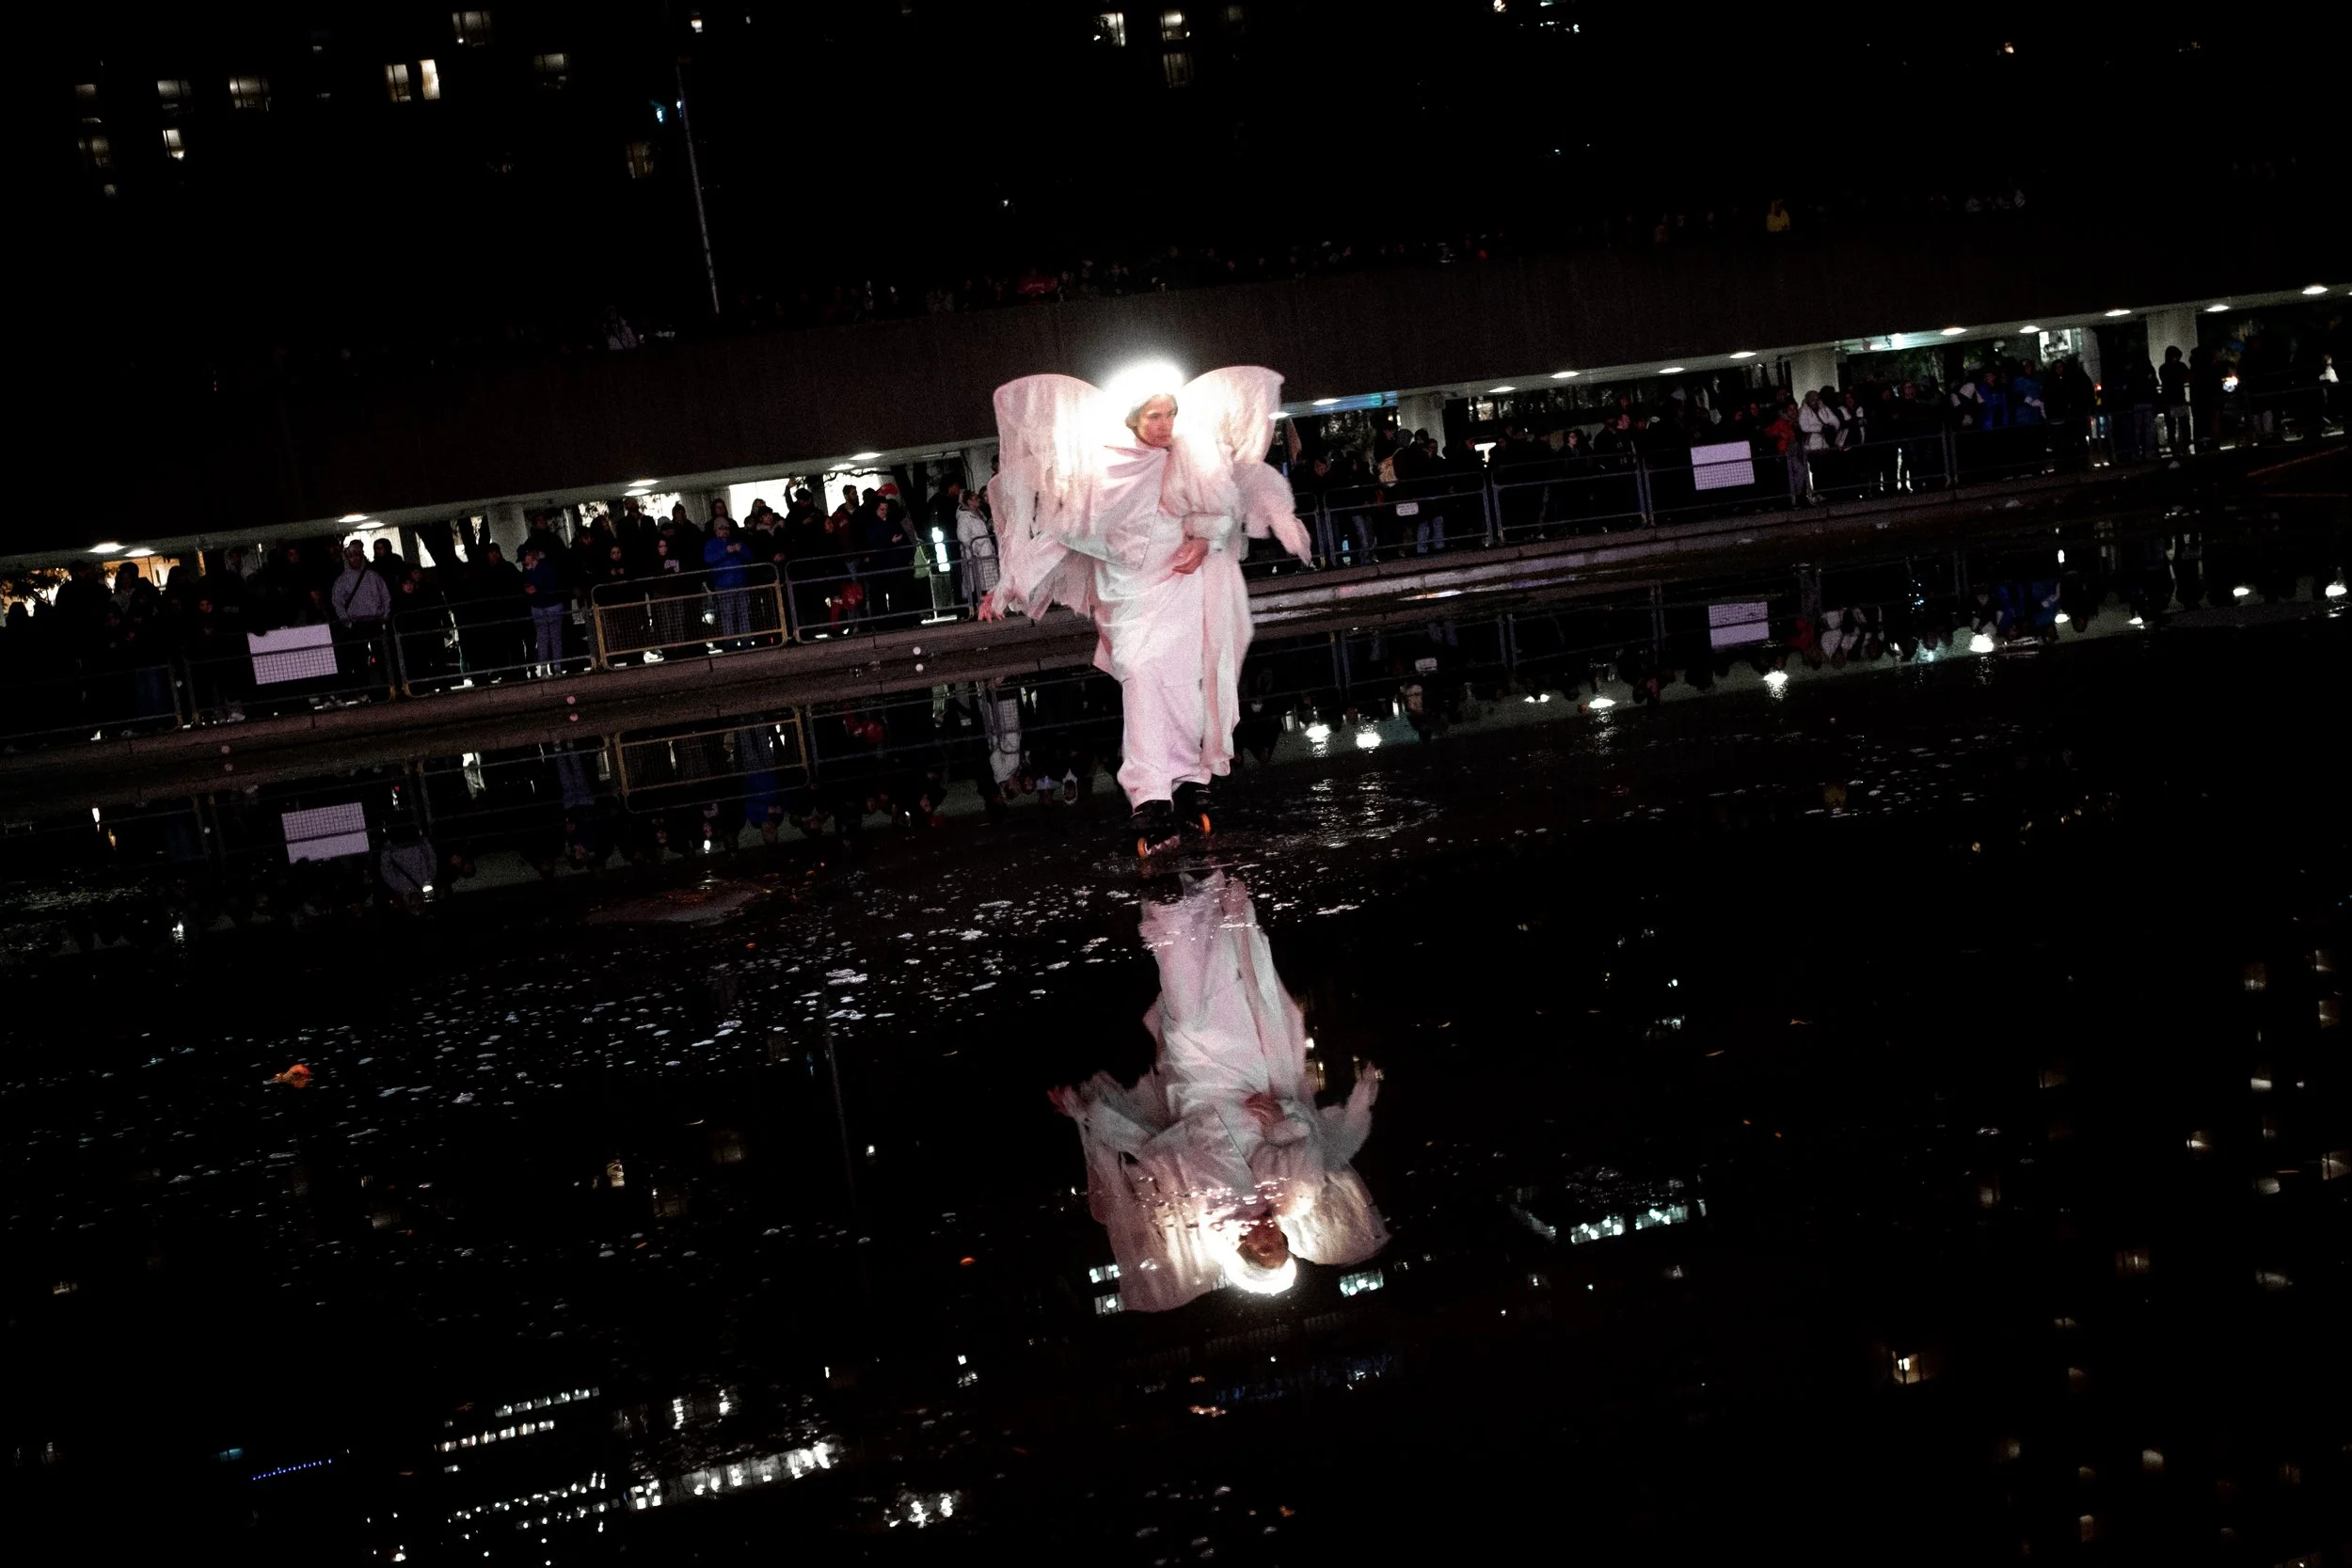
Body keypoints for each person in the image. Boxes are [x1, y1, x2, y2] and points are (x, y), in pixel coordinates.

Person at [981, 366, 1311, 856]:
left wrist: (1204, 539)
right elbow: (1061, 532)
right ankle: (1150, 792)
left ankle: (1184, 781)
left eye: (1171, 413)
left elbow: (1222, 505)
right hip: (1128, 594)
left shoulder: (1191, 455)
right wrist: (1006, 587)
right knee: (1140, 676)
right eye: (1154, 415)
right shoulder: (1104, 466)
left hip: (1181, 586)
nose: (1164, 423)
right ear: (1134, 418)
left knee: (1181, 684)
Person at [1049, 870, 1388, 1311]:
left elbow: (1154, 1152)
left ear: (1244, 1254)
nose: (1271, 1240)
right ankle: (1188, 887)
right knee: (1222, 991)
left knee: (1184, 1009)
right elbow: (1302, 1140)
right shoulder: (1289, 1199)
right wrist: (1281, 1125)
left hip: (1191, 1084)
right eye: (1280, 1246)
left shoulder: (1197, 1220)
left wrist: (1086, 1114)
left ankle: (1170, 892)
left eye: (1265, 1251)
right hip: (1247, 1073)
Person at [329, 538, 391, 687]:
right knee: (359, 660)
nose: (355, 559)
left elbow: (385, 596)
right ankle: (368, 689)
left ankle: (386, 687)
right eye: (352, 556)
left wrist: (384, 616)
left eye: (358, 555)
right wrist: (348, 622)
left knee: (381, 657)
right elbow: (337, 603)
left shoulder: (373, 577)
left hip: (374, 622)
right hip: (357, 625)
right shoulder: (342, 581)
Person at [702, 515, 752, 646]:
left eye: (727, 529)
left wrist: (740, 551)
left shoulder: (736, 542)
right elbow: (708, 559)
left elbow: (749, 557)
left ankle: (746, 641)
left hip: (740, 583)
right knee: (727, 615)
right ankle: (730, 643)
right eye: (721, 529)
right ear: (716, 531)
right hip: (723, 585)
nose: (725, 531)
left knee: (744, 613)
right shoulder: (711, 544)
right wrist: (725, 551)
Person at [518, 544, 566, 674]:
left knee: (547, 638)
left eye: (525, 557)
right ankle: (551, 666)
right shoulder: (540, 567)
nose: (523, 561)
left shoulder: (538, 568)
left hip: (546, 605)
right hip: (545, 605)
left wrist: (534, 587)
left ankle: (552, 666)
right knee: (547, 638)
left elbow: (550, 583)